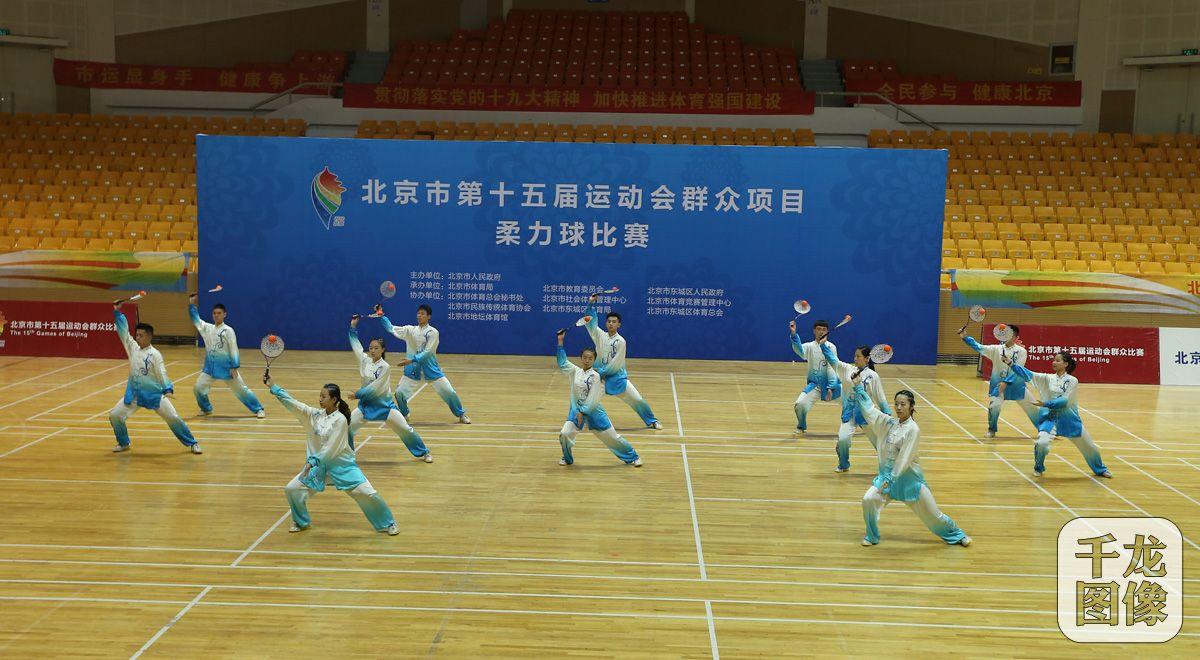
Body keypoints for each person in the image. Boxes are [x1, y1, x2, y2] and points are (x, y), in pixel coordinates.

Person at [265, 374, 399, 535]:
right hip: (318, 469)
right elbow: (293, 403)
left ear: (334, 399)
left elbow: (331, 448)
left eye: (324, 397)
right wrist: (273, 387)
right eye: (320, 396)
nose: (320, 399)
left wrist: (312, 461)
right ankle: (301, 522)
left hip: (342, 467)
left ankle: (388, 523)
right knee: (292, 489)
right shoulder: (314, 415)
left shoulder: (340, 420)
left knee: (367, 493)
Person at [856, 383, 971, 547]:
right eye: (896, 404)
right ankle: (872, 536)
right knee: (868, 500)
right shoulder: (888, 423)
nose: (898, 407)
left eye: (903, 404)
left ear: (911, 406)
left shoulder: (913, 429)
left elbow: (904, 458)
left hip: (910, 482)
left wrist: (891, 478)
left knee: (934, 515)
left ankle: (958, 535)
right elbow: (871, 411)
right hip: (886, 480)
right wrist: (858, 388)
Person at [1002, 351, 1112, 479]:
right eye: (1054, 360)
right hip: (1050, 419)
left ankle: (1100, 469)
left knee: (1089, 447)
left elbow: (1064, 400)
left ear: (1066, 364)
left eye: (1058, 360)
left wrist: (1046, 404)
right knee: (1042, 443)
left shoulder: (1072, 381)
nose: (1054, 362)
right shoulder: (1047, 378)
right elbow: (1027, 373)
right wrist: (1010, 363)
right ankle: (1038, 467)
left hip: (1069, 420)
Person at [108, 303, 201, 454]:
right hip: (134, 394)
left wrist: (168, 389)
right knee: (115, 415)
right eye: (137, 335)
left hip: (155, 395)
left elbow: (162, 373)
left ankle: (192, 443)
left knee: (173, 418)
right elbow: (123, 332)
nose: (137, 338)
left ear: (149, 336)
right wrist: (118, 313)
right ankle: (123, 443)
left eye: (141, 335)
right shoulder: (132, 348)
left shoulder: (155, 355)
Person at [347, 316, 432, 463]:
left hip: (385, 407)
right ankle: (348, 456)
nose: (373, 350)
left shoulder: (385, 367)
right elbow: (356, 346)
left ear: (383, 350)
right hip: (365, 407)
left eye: (376, 348)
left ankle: (424, 452)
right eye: (371, 348)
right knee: (347, 427)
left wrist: (357, 394)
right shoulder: (364, 361)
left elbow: (375, 388)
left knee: (405, 429)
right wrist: (353, 328)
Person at [554, 329, 642, 467]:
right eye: (585, 357)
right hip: (576, 411)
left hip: (594, 411)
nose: (587, 360)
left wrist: (583, 412)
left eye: (590, 358)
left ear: (594, 360)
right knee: (565, 433)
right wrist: (560, 341)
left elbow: (593, 399)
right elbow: (562, 362)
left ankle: (633, 456)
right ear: (581, 358)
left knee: (612, 438)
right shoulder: (575, 371)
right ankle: (567, 458)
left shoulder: (596, 376)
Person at [377, 304, 470, 424]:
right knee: (399, 393)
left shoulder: (433, 332)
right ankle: (404, 414)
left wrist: (411, 360)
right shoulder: (410, 330)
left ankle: (461, 414)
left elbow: (428, 352)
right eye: (418, 313)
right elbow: (391, 328)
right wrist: (381, 315)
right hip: (413, 370)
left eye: (422, 314)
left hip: (430, 369)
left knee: (449, 392)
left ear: (429, 316)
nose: (419, 316)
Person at [584, 293, 662, 430]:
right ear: (606, 323)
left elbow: (616, 364)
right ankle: (579, 421)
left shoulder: (621, 341)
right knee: (587, 400)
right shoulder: (599, 336)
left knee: (637, 399)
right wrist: (591, 304)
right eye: (609, 321)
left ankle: (652, 421)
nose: (611, 323)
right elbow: (590, 322)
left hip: (616, 378)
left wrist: (600, 371)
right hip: (599, 378)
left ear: (619, 324)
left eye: (614, 322)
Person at [187, 294, 265, 418]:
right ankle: (206, 408)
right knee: (198, 388)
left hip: (228, 369)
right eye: (214, 313)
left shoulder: (228, 330)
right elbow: (196, 320)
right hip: (210, 368)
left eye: (219, 313)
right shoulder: (207, 328)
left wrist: (234, 366)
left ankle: (258, 409)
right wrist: (192, 304)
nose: (216, 315)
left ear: (225, 314)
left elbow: (233, 349)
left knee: (241, 390)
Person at [820, 340, 891, 473]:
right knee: (843, 439)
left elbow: (881, 398)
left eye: (858, 356)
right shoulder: (847, 369)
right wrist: (823, 345)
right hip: (849, 413)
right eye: (855, 356)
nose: (855, 358)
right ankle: (844, 464)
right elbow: (834, 360)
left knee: (880, 443)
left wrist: (887, 416)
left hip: (867, 415)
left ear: (867, 358)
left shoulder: (873, 376)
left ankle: (888, 468)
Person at [957, 324, 1037, 438]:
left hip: (1017, 386)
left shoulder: (1021, 351)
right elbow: (978, 347)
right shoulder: (995, 349)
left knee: (1033, 408)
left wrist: (1006, 382)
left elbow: (1018, 370)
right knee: (994, 406)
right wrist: (965, 337)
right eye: (1005, 333)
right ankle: (992, 430)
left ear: (1015, 337)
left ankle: (1046, 430)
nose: (1006, 335)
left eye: (1009, 334)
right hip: (998, 386)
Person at [789, 319, 839, 435]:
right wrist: (793, 334)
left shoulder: (831, 347)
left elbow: (833, 368)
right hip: (815, 385)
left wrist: (831, 387)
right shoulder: (809, 346)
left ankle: (862, 423)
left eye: (824, 330)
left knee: (851, 401)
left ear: (827, 332)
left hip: (832, 385)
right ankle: (801, 426)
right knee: (800, 405)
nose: (821, 332)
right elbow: (799, 350)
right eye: (819, 329)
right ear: (814, 331)